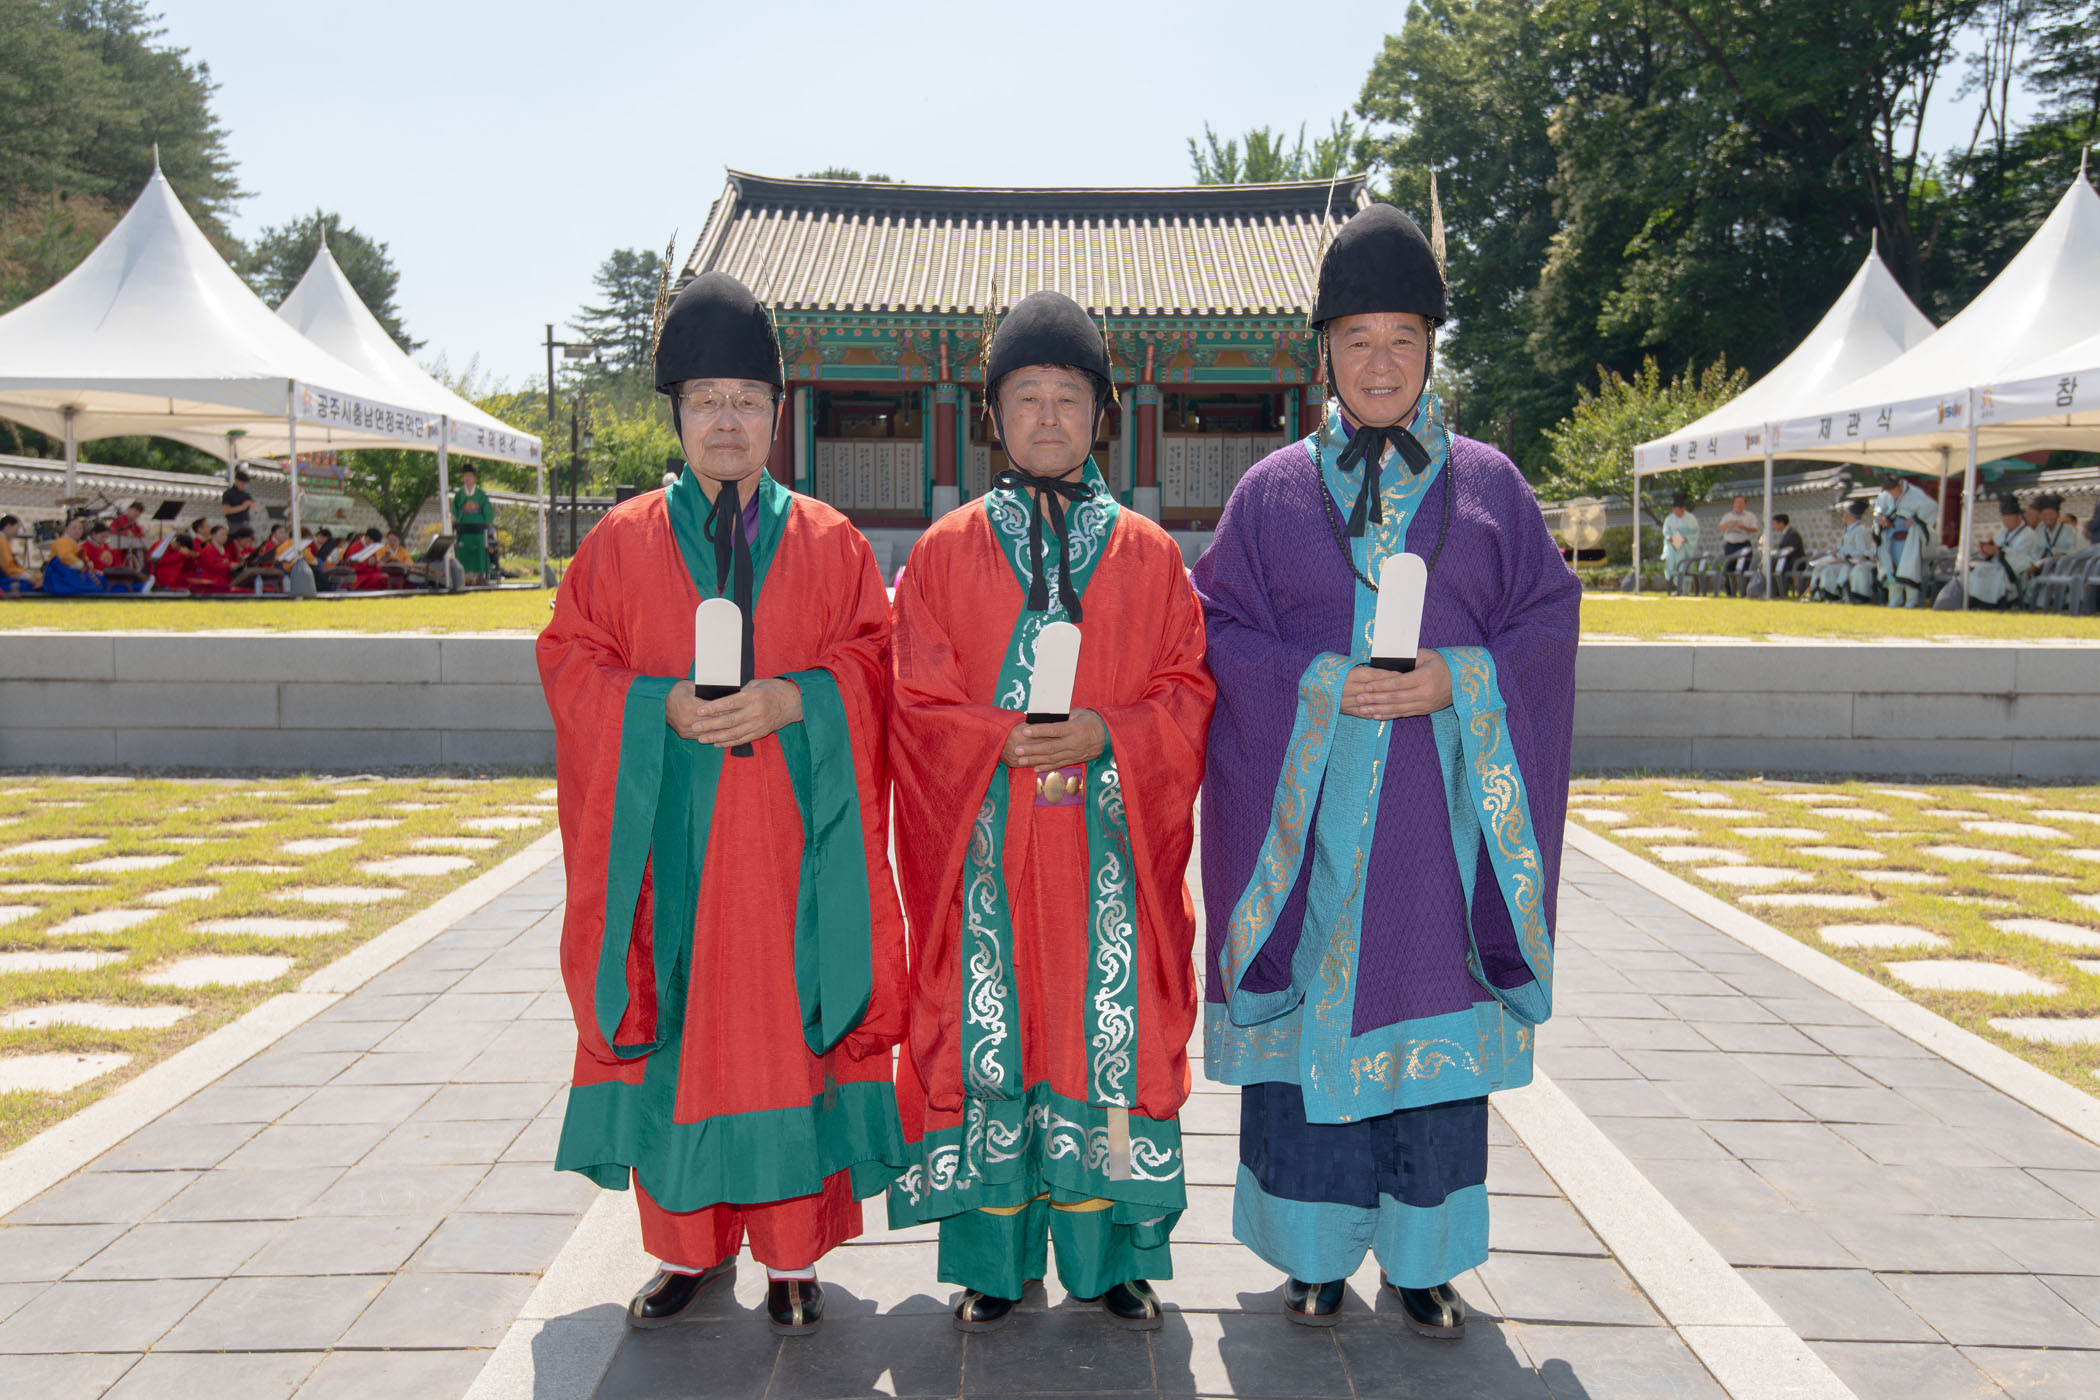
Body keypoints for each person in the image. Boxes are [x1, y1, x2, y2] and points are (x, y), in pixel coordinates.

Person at [1194, 202, 1577, 1333]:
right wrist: (1319, 685)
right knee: (1312, 1021)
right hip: (1307, 830)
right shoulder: (1270, 493)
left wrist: (1461, 677)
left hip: (1435, 832)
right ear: (1324, 351)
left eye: (1402, 338)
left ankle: (1424, 1259)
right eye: (1357, 338)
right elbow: (1218, 632)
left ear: (1430, 349)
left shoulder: (1492, 488)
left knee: (1432, 1023)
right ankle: (1311, 1253)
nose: (1379, 361)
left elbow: (1548, 624)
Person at [538, 270, 908, 1339]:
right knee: (684, 1036)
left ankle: (795, 1256)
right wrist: (653, 706)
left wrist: (799, 698)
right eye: (706, 400)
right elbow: (569, 660)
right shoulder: (620, 543)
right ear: (678, 413)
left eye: (748, 399)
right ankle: (685, 1248)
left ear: (777, 414)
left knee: (787, 1032)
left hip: (795, 852)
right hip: (669, 851)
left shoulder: (832, 543)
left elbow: (878, 665)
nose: (728, 420)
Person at [887, 291, 1215, 1334]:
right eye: (1024, 395)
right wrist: (995, 739)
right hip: (988, 856)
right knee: (994, 1041)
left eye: (1068, 396)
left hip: (1106, 862)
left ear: (1101, 414)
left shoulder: (1152, 557)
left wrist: (1108, 731)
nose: (1046, 416)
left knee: (1105, 1038)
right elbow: (914, 703)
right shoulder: (943, 554)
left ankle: (1111, 1257)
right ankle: (994, 1261)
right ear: (992, 414)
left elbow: (1188, 692)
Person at [1874, 470, 1937, 608]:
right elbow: (1878, 509)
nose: (1890, 493)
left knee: (1909, 569)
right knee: (1892, 569)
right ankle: (1894, 601)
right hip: (1890, 538)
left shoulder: (1916, 494)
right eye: (1888, 490)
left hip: (1909, 540)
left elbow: (1931, 507)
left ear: (1899, 485)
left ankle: (1911, 601)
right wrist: (1881, 519)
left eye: (1892, 489)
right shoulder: (1885, 496)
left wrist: (1914, 520)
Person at [1967, 497, 2029, 610]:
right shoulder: (2003, 533)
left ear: (2019, 517)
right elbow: (1995, 546)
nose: (2006, 521)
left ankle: (1987, 603)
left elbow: (2019, 557)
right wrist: (1987, 551)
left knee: (1990, 575)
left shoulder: (2028, 534)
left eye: (2009, 518)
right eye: (2004, 518)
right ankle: (1975, 601)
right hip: (1998, 567)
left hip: (2015, 573)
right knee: (1978, 571)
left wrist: (1998, 552)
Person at [39, 517, 108, 595]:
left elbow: (82, 558)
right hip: (61, 575)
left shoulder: (75, 544)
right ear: (66, 529)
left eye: (80, 528)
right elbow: (65, 556)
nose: (77, 531)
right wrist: (81, 564)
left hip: (74, 572)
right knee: (89, 588)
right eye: (74, 528)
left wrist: (87, 562)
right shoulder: (61, 542)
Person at [453, 467, 494, 580]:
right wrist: (464, 510)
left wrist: (485, 523)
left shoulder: (481, 494)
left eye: (470, 476)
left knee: (480, 550)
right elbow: (455, 510)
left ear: (474, 478)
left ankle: (482, 575)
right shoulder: (459, 494)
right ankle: (463, 576)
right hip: (464, 528)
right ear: (462, 478)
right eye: (465, 476)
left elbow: (488, 513)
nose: (468, 479)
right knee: (463, 550)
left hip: (478, 529)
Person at [82, 522, 145, 592]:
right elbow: (89, 568)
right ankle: (140, 588)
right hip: (99, 576)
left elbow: (117, 562)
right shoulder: (86, 547)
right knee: (119, 587)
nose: (104, 539)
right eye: (102, 536)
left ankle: (141, 586)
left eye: (106, 537)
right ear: (94, 534)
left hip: (112, 574)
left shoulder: (106, 546)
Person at [1661, 494, 1701, 592]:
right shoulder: (1669, 519)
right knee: (1673, 566)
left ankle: (1685, 590)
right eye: (1675, 511)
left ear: (1684, 509)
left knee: (1685, 567)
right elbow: (1666, 532)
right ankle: (1676, 588)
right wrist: (1669, 538)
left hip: (1686, 547)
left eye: (1680, 511)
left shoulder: (1690, 518)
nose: (1677, 513)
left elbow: (1695, 532)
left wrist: (1686, 539)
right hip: (1673, 547)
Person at [1717, 495, 1759, 579]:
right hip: (1730, 545)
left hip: (1744, 544)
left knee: (1745, 568)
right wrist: (1729, 524)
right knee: (1729, 568)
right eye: (1737, 502)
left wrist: (1744, 527)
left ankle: (1744, 586)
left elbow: (1755, 529)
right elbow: (1720, 528)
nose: (1739, 504)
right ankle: (1730, 587)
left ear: (1745, 504)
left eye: (1741, 502)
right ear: (1733, 504)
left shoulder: (1750, 516)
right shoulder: (1727, 516)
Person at [185, 524, 234, 594]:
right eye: (222, 534)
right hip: (211, 579)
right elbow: (213, 566)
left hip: (224, 578)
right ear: (213, 535)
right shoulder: (208, 549)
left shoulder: (224, 549)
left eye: (226, 535)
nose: (225, 537)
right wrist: (229, 565)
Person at [0, 515, 39, 594]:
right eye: (17, 529)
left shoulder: (3, 541)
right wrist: (28, 576)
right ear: (8, 526)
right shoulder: (2, 542)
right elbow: (9, 568)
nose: (17, 532)